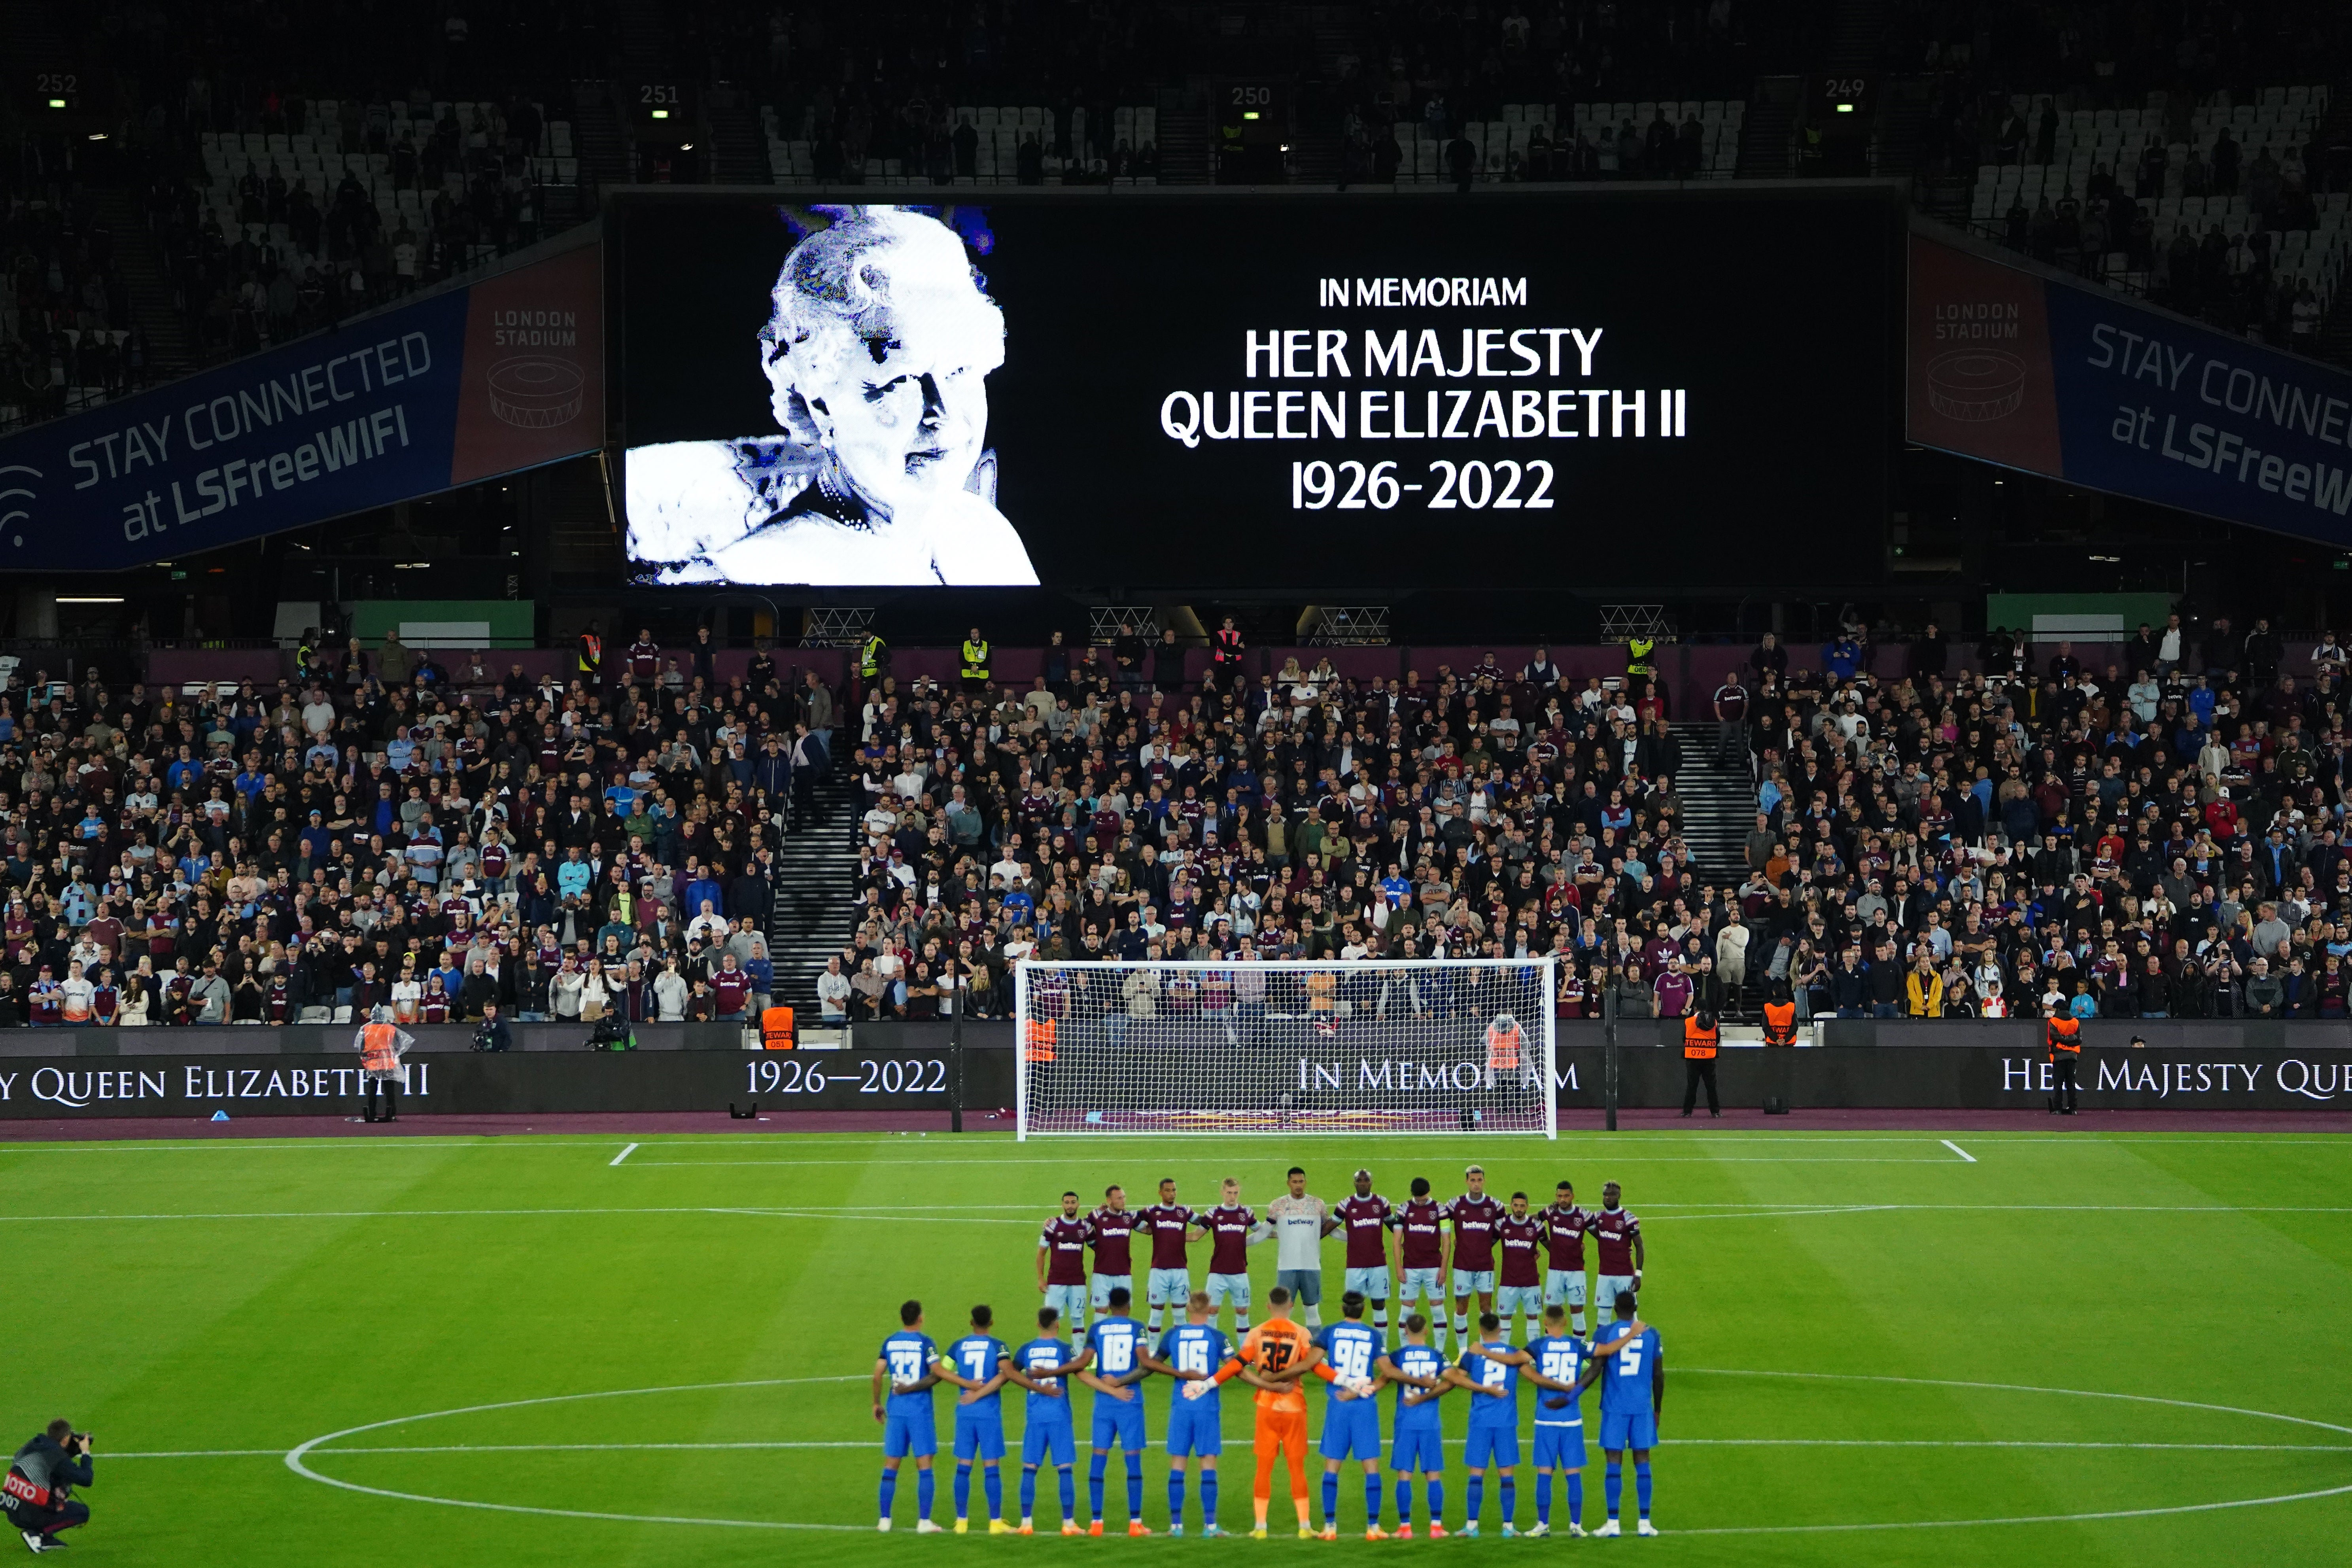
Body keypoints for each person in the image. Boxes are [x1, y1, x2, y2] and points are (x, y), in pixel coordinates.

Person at [626, 207, 1040, 586]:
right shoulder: (758, 577)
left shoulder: (987, 531)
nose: (943, 412)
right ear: (818, 403)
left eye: (960, 371)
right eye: (900, 379)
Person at [1202, 1285, 1337, 1538]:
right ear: (1290, 1305)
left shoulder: (1256, 1333)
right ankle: (1305, 1526)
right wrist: (1342, 1380)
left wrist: (1211, 1382)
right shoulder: (1301, 1333)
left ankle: (1261, 1527)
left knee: (1264, 1467)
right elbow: (1314, 1366)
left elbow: (1237, 1365)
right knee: (1297, 1467)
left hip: (1266, 1406)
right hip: (1294, 1406)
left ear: (1268, 1305)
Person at [1441, 1311, 1577, 1536]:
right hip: (1506, 1421)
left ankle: (1472, 1526)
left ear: (1480, 1331)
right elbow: (1534, 1378)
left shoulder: (1473, 1354)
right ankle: (1508, 1526)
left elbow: (1455, 1378)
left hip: (1480, 1421)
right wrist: (1564, 1387)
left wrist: (1482, 1389)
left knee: (1477, 1473)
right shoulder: (1513, 1354)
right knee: (1507, 1475)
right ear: (1501, 1330)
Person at [1139, 1291, 1231, 1536]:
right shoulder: (1217, 1337)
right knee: (1208, 1463)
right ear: (1210, 1308)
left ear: (1188, 1308)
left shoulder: (1173, 1335)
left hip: (1182, 1406)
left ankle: (1176, 1526)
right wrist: (1263, 1382)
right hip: (1207, 1406)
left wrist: (1179, 1374)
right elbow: (1236, 1367)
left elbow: (1152, 1363)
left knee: (1178, 1463)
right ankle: (1210, 1526)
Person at [1076, 1286, 1153, 1535]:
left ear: (1108, 1306)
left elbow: (1082, 1365)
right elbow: (1145, 1363)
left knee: (1099, 1456)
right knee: (1132, 1458)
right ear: (1128, 1305)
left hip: (1104, 1403)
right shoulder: (1137, 1327)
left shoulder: (1097, 1329)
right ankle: (1135, 1523)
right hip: (1130, 1399)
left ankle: (1096, 1523)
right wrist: (1120, 1384)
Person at [1314, 1292, 1389, 1539]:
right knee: (1371, 1467)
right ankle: (1373, 1527)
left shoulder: (1330, 1332)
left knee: (1332, 1466)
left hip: (1338, 1404)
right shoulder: (1374, 1334)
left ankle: (1330, 1527)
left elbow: (1313, 1363)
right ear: (1364, 1309)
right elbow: (1387, 1373)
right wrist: (1363, 1389)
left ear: (1342, 1308)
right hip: (1364, 1406)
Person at [1010, 1306, 1089, 1534]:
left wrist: (1035, 1386)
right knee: (1064, 1468)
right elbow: (1080, 1366)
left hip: (1035, 1416)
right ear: (1058, 1324)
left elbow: (1010, 1373)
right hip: (1059, 1415)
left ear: (1038, 1324)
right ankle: (1068, 1524)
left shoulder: (1026, 1350)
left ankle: (1026, 1524)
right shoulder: (1065, 1349)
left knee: (1029, 1469)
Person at [1590, 1292, 1664, 1537]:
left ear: (1614, 1308)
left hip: (1615, 1407)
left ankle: (1613, 1524)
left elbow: (1596, 1370)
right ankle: (1645, 1523)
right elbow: (1658, 1375)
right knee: (1643, 1459)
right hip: (1642, 1407)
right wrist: (1658, 1408)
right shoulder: (1652, 1334)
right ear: (1636, 1308)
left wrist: (1572, 1392)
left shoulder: (1604, 1334)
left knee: (1614, 1462)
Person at [872, 1298, 947, 1532]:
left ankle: (885, 1520)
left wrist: (876, 1403)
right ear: (920, 1318)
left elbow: (877, 1375)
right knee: (924, 1464)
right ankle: (924, 1521)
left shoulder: (890, 1342)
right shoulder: (926, 1343)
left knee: (891, 1464)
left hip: (896, 1410)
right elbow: (936, 1374)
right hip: (920, 1411)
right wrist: (914, 1387)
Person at [942, 1305, 1016, 1533]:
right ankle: (995, 1522)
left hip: (965, 1411)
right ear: (991, 1322)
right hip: (988, 1413)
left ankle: (961, 1522)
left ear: (971, 1322)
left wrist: (967, 1387)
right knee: (991, 1466)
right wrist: (981, 1393)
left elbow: (942, 1371)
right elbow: (1007, 1374)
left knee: (964, 1465)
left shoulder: (958, 1345)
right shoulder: (998, 1346)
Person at [1384, 1315, 1451, 1538]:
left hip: (1405, 1421)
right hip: (1430, 1422)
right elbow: (1452, 1381)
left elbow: (1384, 1376)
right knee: (1433, 1475)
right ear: (1427, 1331)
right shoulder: (1437, 1356)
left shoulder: (1397, 1356)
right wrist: (1428, 1395)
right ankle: (1436, 1527)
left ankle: (1405, 1528)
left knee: (1405, 1475)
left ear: (1405, 1331)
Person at [5, 1421, 92, 1554]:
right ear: (65, 1439)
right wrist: (85, 1453)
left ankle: (44, 1536)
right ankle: (37, 1534)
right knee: (82, 1512)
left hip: (12, 1507)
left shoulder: (34, 1444)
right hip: (29, 1515)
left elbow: (49, 1463)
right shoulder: (57, 1457)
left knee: (55, 1481)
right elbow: (86, 1479)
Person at [1266, 1165, 1337, 1328]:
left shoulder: (1317, 1204)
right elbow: (1265, 1231)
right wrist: (1243, 1242)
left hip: (1311, 1266)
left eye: (1301, 1181)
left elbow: (1330, 1229)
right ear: (1288, 1183)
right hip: (1287, 1267)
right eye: (1295, 1182)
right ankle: (1285, 1349)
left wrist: (1354, 1238)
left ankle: (1314, 1351)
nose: (1298, 1185)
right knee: (1284, 1311)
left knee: (1312, 1310)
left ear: (1306, 1182)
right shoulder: (1278, 1205)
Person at [1196, 1177, 1267, 1335]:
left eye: (1235, 1193)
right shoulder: (1213, 1213)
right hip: (1217, 1272)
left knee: (1242, 1311)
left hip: (1240, 1271)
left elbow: (1261, 1231)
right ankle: (1212, 1346)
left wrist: (1285, 1234)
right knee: (1212, 1310)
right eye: (1229, 1193)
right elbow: (1196, 1235)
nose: (1232, 1197)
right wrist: (1168, 1235)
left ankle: (1244, 1353)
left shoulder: (1246, 1212)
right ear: (1222, 1193)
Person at [1387, 1177, 1450, 1351]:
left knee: (1438, 1310)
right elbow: (1396, 1240)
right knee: (1406, 1311)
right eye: (1418, 1198)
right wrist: (1399, 1267)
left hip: (1433, 1268)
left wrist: (1444, 1268)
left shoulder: (1440, 1209)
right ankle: (1405, 1351)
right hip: (1410, 1268)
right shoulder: (1403, 1209)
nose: (1420, 1201)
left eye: (1423, 1198)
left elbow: (1446, 1240)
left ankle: (1440, 1352)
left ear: (1429, 1192)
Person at [1445, 1165, 1503, 1351]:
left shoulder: (1496, 1206)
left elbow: (1503, 1231)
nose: (1476, 1184)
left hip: (1485, 1265)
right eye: (1473, 1180)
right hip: (1462, 1265)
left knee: (1486, 1307)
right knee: (1461, 1307)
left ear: (1484, 1181)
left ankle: (1483, 1349)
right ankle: (1463, 1352)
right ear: (1467, 1181)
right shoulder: (1455, 1205)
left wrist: (1486, 1244)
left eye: (1479, 1180)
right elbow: (1439, 1225)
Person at [1333, 1169, 1395, 1338]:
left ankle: (1381, 1346)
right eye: (1359, 1180)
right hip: (1354, 1265)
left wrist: (1409, 1239)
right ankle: (1352, 1339)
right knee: (1352, 1305)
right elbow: (1331, 1226)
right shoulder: (1345, 1205)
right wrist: (1312, 1236)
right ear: (1355, 1183)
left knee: (1379, 1304)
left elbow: (1394, 1226)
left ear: (1371, 1182)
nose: (1363, 1183)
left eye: (1366, 1180)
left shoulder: (1382, 1203)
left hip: (1378, 1264)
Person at [1137, 1177, 1196, 1334]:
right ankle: (1152, 1354)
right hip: (1158, 1270)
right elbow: (1130, 1219)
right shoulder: (1152, 1211)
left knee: (1180, 1314)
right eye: (1168, 1191)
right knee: (1156, 1313)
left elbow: (1205, 1222)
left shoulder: (1185, 1211)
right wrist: (1147, 1229)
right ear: (1160, 1193)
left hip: (1180, 1270)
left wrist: (1192, 1236)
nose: (1172, 1194)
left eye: (1174, 1190)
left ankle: (1180, 1349)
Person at [1035, 1190, 1094, 1338]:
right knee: (1051, 1320)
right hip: (1056, 1282)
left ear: (1078, 1204)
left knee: (1078, 1319)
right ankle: (1052, 1354)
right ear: (1062, 1205)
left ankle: (1080, 1356)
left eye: (1073, 1203)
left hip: (1078, 1281)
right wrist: (1041, 1278)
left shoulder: (1085, 1227)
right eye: (1067, 1203)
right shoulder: (1053, 1225)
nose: (1070, 1206)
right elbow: (1041, 1253)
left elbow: (1099, 1249)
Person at [1541, 1180, 1593, 1335]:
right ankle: (1549, 1348)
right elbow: (1529, 1222)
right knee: (1553, 1312)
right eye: (1559, 1196)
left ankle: (1580, 1352)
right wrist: (1549, 1245)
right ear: (1556, 1197)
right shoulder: (1550, 1212)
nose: (1563, 1200)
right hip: (1555, 1271)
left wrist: (1623, 1248)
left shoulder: (1583, 1215)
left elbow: (1602, 1235)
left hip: (1576, 1271)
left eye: (1566, 1196)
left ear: (1573, 1196)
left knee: (1577, 1311)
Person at [1495, 1192, 1546, 1341]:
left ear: (1527, 1207)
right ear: (1511, 1206)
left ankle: (1532, 1353)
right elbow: (1486, 1244)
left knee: (1533, 1316)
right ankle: (1504, 1351)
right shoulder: (1501, 1224)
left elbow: (1551, 1246)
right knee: (1504, 1317)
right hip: (1508, 1281)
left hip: (1531, 1280)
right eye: (1516, 1206)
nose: (1519, 1209)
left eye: (1522, 1206)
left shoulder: (1536, 1226)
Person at [1590, 1182, 1644, 1323]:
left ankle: (1635, 1343)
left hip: (1625, 1275)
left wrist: (1638, 1274)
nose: (1608, 1198)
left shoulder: (1628, 1218)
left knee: (1630, 1315)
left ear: (1619, 1195)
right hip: (1604, 1275)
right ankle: (1604, 1344)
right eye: (1606, 1195)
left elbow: (1640, 1246)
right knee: (1603, 1314)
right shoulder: (1598, 1217)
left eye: (1612, 1195)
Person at [354, 1003, 415, 1123]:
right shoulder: (390, 1028)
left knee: (373, 1090)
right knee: (389, 1090)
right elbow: (398, 1045)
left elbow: (361, 1047)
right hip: (387, 1063)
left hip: (373, 1063)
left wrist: (366, 1060)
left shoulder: (366, 1029)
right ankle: (392, 1113)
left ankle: (372, 1112)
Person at [1088, 1185, 1138, 1321]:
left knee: (1123, 1311)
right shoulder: (1097, 1215)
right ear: (1109, 1201)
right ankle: (1099, 1342)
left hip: (1124, 1273)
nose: (1123, 1201)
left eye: (1124, 1197)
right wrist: (1097, 1247)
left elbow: (1149, 1229)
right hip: (1101, 1273)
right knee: (1101, 1310)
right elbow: (1081, 1229)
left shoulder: (1129, 1217)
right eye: (1119, 1198)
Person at [1680, 1008, 1722, 1118]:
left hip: (1693, 1058)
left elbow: (1685, 1038)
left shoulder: (1689, 1022)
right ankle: (1715, 1112)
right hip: (1709, 1057)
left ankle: (1688, 1112)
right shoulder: (1714, 1021)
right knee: (1711, 1086)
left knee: (1692, 1086)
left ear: (1695, 1009)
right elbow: (1717, 1039)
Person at [2047, 1008, 2082, 1114]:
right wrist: (2070, 1041)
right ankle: (2073, 1109)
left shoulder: (2054, 1021)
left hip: (2058, 1056)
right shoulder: (2075, 1022)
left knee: (2058, 1084)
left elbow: (2055, 1037)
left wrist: (2063, 1043)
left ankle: (2058, 1109)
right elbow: (2079, 1039)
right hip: (2072, 1056)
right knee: (2071, 1083)